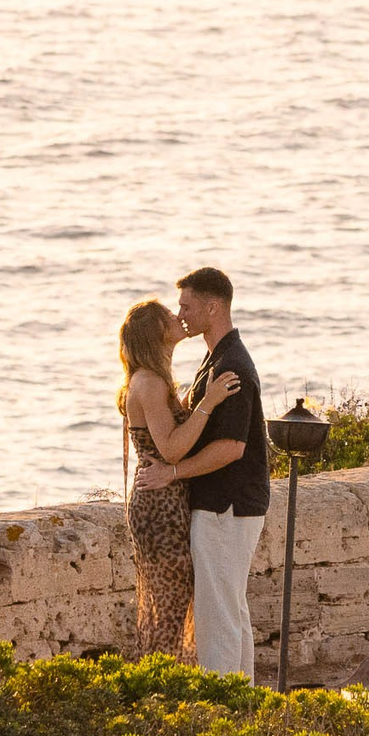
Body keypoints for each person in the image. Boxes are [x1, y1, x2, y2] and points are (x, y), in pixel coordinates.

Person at [136, 265, 270, 678]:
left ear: (213, 307)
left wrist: (173, 473)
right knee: (231, 609)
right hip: (226, 505)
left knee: (217, 617)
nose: (181, 315)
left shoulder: (231, 367)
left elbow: (231, 448)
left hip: (225, 506)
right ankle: (245, 702)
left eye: (187, 306)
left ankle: (222, 707)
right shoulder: (215, 360)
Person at [116, 297, 240, 659]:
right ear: (155, 332)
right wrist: (208, 402)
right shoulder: (150, 383)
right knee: (168, 607)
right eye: (170, 315)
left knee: (167, 601)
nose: (179, 316)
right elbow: (170, 449)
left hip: (162, 499)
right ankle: (157, 686)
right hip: (160, 503)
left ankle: (160, 680)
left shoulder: (151, 379)